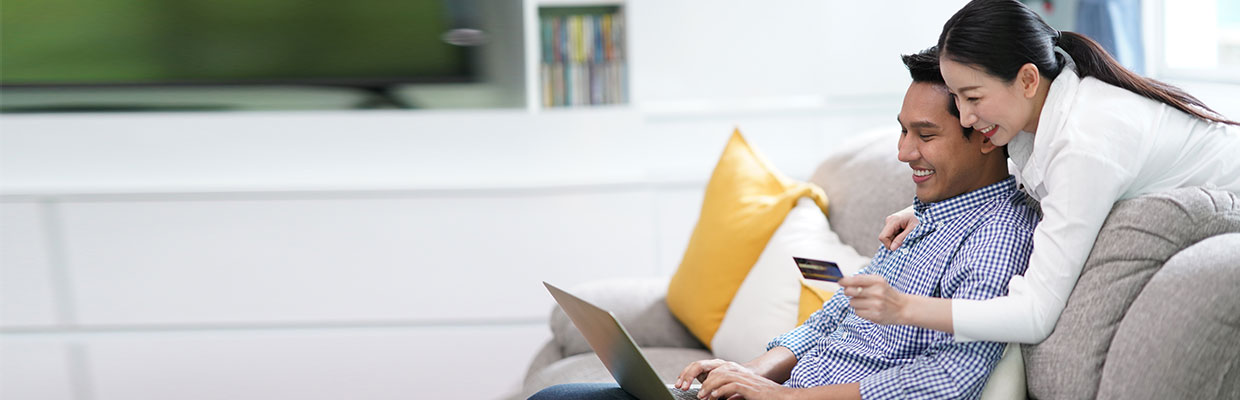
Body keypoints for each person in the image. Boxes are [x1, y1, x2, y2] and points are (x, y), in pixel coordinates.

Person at [530, 47, 1040, 400]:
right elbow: (834, 314)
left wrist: (781, 397)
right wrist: (747, 373)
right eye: (903, 131)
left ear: (984, 133)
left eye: (924, 135)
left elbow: (948, 381)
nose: (904, 152)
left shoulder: (995, 234)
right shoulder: (918, 217)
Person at [847, 0, 1240, 344]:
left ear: (1028, 80)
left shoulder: (1086, 144)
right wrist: (923, 212)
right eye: (958, 98)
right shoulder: (1039, 118)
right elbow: (1038, 179)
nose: (965, 117)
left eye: (974, 97)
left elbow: (1034, 314)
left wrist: (903, 308)